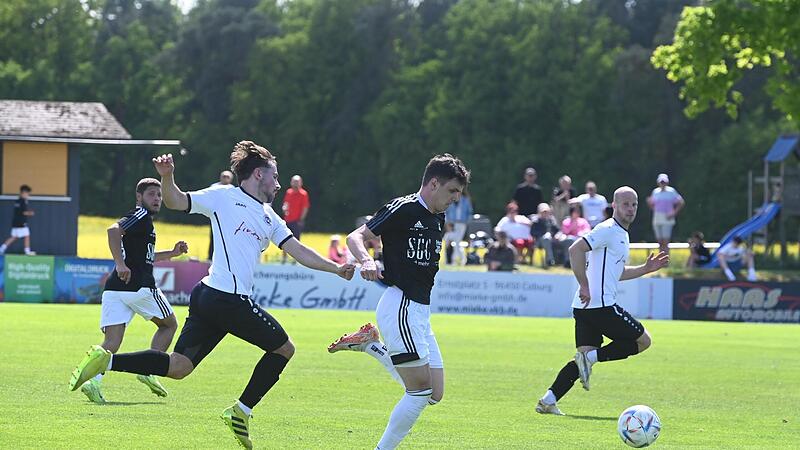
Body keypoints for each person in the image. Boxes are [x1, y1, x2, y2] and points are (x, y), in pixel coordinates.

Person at [69, 142, 355, 449]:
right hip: (226, 299)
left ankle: (106, 361)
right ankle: (241, 412)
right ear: (258, 174)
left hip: (208, 297)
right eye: (274, 176)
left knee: (179, 367)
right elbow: (177, 201)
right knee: (284, 349)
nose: (278, 183)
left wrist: (335, 268)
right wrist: (167, 177)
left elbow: (298, 250)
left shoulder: (269, 216)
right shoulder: (223, 195)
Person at [327, 154, 470, 450]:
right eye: (452, 191)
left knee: (434, 393)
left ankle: (369, 344)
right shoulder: (404, 208)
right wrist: (366, 259)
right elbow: (356, 237)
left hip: (419, 310)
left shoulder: (437, 215)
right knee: (419, 392)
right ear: (434, 183)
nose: (456, 198)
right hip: (401, 305)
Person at [536, 186, 669, 416]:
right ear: (614, 206)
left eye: (634, 204)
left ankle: (548, 400)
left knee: (580, 362)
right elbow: (576, 249)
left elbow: (617, 273)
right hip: (601, 307)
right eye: (626, 204)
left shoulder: (621, 234)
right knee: (643, 342)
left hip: (584, 308)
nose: (631, 208)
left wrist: (646, 269)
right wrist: (584, 284)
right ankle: (591, 358)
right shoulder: (608, 228)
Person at [72, 178, 188, 404]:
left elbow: (145, 258)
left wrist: (171, 254)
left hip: (115, 288)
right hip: (138, 286)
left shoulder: (143, 224)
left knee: (112, 342)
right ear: (139, 197)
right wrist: (120, 264)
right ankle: (148, 369)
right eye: (152, 194)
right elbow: (113, 230)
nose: (157, 199)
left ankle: (93, 382)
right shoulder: (140, 215)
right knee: (169, 325)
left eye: (159, 195)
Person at [647, 173, 684, 254]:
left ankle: (666, 261)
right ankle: (661, 261)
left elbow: (681, 202)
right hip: (657, 217)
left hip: (667, 218)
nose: (662, 184)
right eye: (661, 182)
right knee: (660, 241)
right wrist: (650, 204)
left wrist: (674, 213)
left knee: (665, 241)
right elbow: (652, 205)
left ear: (667, 182)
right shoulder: (655, 192)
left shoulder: (671, 191)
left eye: (664, 182)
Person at [281, 175, 310, 264]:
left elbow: (305, 208)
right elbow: (285, 203)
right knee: (284, 240)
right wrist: (284, 208)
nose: (295, 184)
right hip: (287, 220)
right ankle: (284, 260)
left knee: (296, 241)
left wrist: (301, 219)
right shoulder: (289, 192)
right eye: (294, 181)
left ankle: (295, 260)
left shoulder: (303, 194)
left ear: (301, 183)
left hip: (296, 221)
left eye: (297, 182)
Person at [0, 185, 36, 255]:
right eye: (27, 193)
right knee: (27, 235)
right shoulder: (23, 201)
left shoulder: (17, 201)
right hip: (21, 222)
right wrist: (30, 213)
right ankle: (27, 251)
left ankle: (2, 248)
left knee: (14, 237)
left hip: (15, 222)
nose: (28, 195)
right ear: (23, 192)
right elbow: (23, 212)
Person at [207, 170, 234, 260]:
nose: (225, 178)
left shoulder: (232, 189)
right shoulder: (214, 187)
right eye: (224, 176)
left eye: (228, 177)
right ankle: (210, 257)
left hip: (227, 218)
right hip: (215, 215)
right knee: (213, 237)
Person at [444, 191, 473, 265]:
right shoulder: (450, 200)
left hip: (462, 224)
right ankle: (461, 259)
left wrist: (466, 223)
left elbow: (469, 213)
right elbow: (446, 212)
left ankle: (453, 261)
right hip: (452, 224)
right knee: (451, 240)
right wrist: (447, 223)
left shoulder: (465, 200)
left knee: (455, 241)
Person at [530, 203, 559, 267]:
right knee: (546, 239)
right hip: (538, 241)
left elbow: (556, 230)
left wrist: (554, 235)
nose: (545, 214)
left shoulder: (551, 220)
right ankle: (550, 260)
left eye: (547, 212)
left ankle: (560, 261)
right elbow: (533, 232)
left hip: (551, 239)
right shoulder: (536, 221)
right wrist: (544, 234)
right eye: (543, 212)